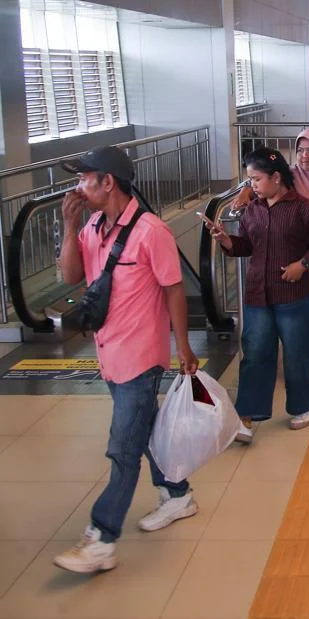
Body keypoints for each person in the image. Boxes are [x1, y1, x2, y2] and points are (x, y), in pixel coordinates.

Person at [53, 146, 200, 573]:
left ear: (107, 182)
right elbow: (70, 276)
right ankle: (178, 494)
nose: (79, 186)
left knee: (122, 450)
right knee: (145, 430)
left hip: (141, 356)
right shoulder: (94, 226)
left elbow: (173, 288)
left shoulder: (151, 231)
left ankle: (102, 537)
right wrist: (69, 224)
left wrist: (183, 347)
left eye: (84, 178)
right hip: (109, 352)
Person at [205, 148, 309, 443]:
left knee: (297, 354)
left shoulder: (302, 208)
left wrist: (303, 265)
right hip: (258, 296)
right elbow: (247, 247)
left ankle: (304, 406)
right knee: (255, 354)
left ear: (276, 178)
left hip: (295, 296)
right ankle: (248, 414)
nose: (251, 184)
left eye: (256, 178)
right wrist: (227, 241)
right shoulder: (253, 209)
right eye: (249, 179)